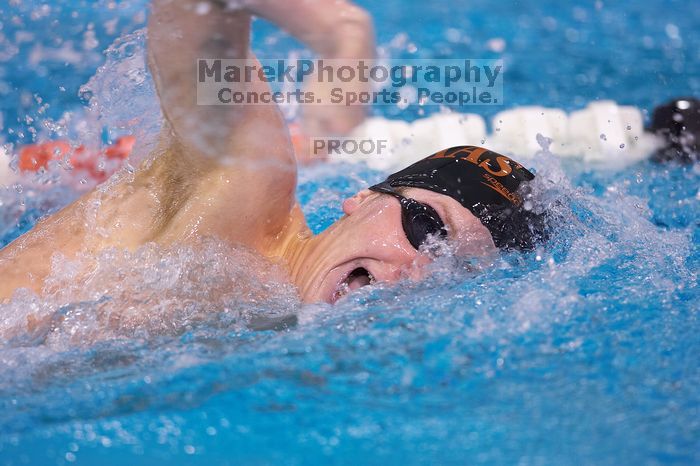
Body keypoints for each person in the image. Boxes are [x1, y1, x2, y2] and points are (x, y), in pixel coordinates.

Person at [0, 0, 546, 305]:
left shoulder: (281, 319)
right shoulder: (246, 192)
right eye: (429, 229)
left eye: (458, 268)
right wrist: (345, 32)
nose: (419, 269)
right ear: (360, 197)